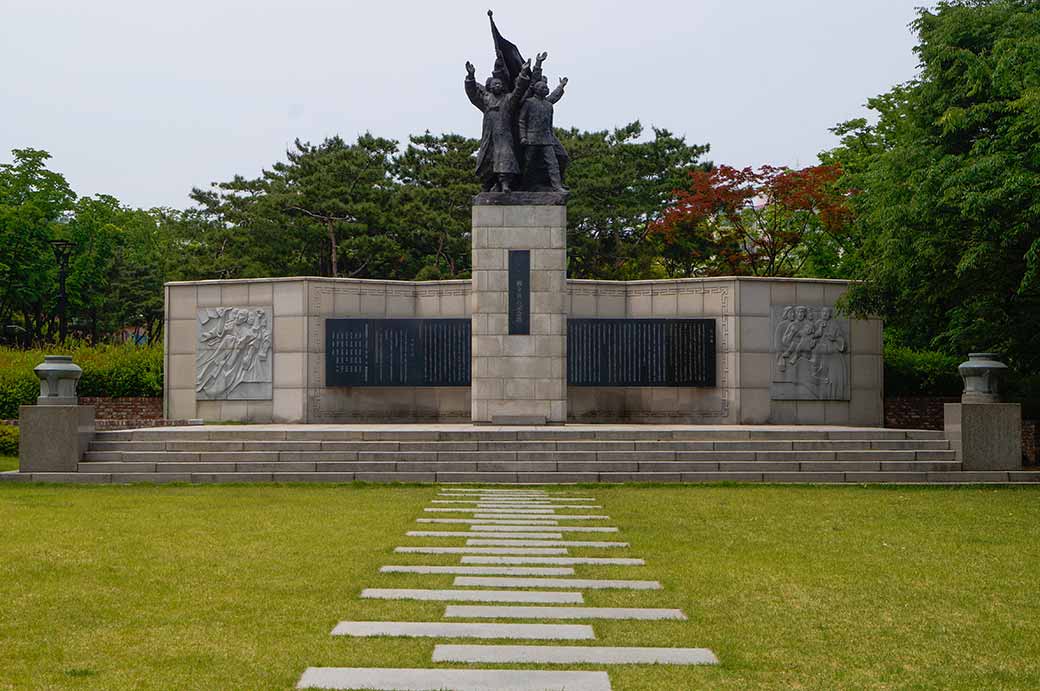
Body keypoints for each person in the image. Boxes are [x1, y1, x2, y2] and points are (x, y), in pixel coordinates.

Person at [464, 55, 532, 192]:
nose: (497, 85)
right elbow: (472, 94)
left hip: (504, 135)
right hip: (489, 135)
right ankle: (487, 184)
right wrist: (470, 77)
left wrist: (523, 73)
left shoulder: (508, 99)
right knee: (487, 158)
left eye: (500, 84)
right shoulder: (485, 100)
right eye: (495, 83)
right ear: (490, 87)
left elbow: (518, 91)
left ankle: (505, 183)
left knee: (505, 156)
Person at [519, 74, 569, 191]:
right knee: (527, 163)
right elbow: (521, 120)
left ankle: (557, 186)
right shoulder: (529, 102)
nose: (546, 89)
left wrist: (561, 86)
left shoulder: (548, 105)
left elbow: (550, 124)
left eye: (546, 87)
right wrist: (523, 137)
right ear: (536, 90)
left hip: (547, 139)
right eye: (543, 87)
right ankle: (522, 184)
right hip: (532, 138)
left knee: (553, 163)